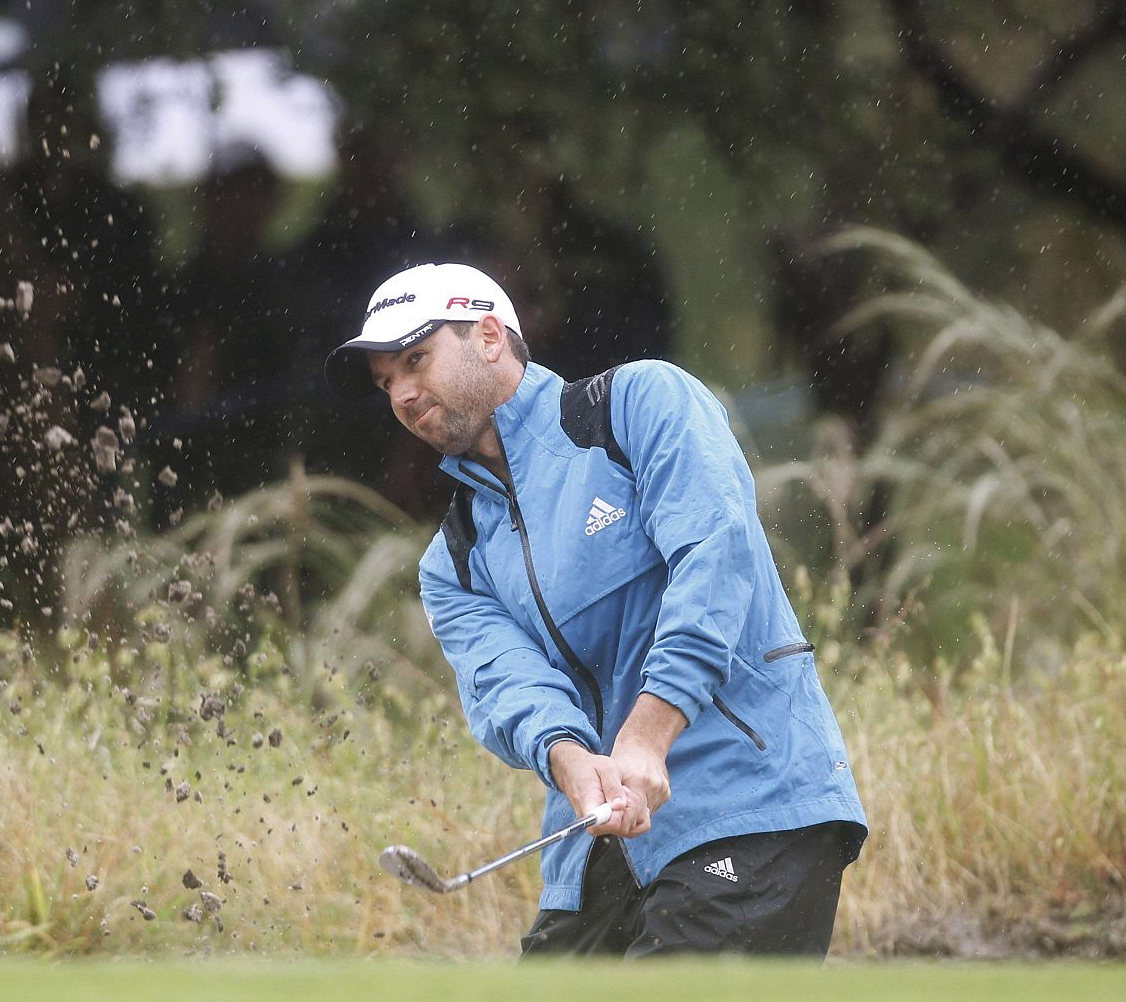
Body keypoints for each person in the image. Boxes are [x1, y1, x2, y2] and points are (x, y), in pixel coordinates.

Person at [324, 263, 867, 958]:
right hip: (601, 848)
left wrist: (647, 734)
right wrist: (572, 760)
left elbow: (714, 558)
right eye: (385, 382)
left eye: (415, 360)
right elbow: (510, 686)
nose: (401, 393)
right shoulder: (452, 560)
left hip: (751, 805)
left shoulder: (640, 405)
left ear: (489, 335)